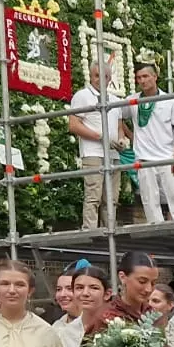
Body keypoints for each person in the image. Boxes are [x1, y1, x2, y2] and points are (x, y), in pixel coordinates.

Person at [121, 62, 174, 223]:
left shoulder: (169, 100)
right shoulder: (132, 100)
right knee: (149, 199)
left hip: (167, 157)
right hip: (143, 158)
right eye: (139, 77)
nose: (142, 81)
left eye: (146, 76)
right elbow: (117, 116)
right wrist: (129, 135)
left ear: (155, 77)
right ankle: (156, 230)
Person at [68, 62, 119, 231]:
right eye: (97, 76)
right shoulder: (82, 95)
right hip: (92, 153)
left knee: (111, 199)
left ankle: (110, 230)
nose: (100, 80)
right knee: (93, 196)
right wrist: (100, 136)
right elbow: (73, 125)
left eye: (104, 77)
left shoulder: (115, 100)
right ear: (91, 76)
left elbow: (119, 129)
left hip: (113, 154)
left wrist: (122, 141)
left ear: (110, 79)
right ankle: (90, 232)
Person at [50, 267, 87, 347]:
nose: (62, 294)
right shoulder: (56, 327)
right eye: (59, 289)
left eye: (69, 289)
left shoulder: (93, 325)